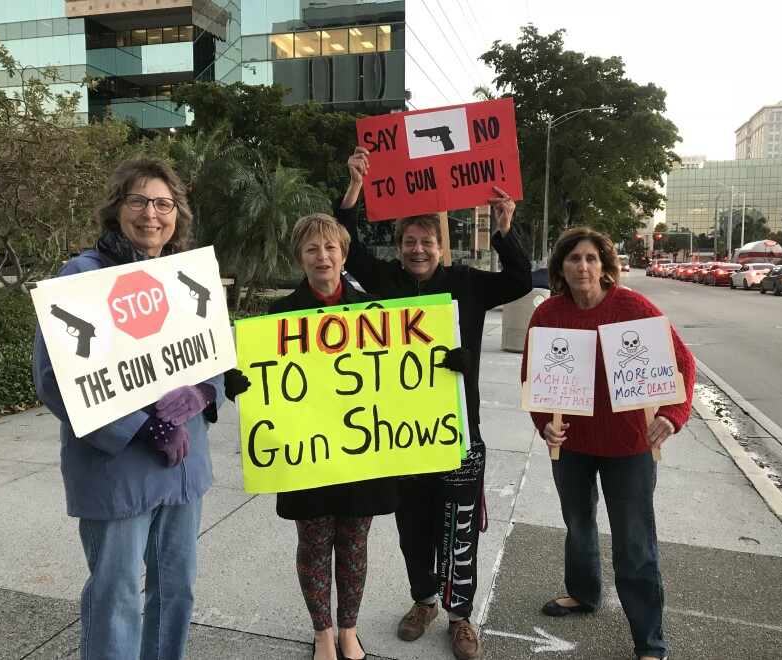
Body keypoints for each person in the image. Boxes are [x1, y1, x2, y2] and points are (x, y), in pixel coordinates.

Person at [333, 147, 532, 660]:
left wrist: (505, 228)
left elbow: (516, 281)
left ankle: (461, 616)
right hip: (402, 431)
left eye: (428, 242)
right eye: (410, 242)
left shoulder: (466, 283)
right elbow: (345, 248)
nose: (419, 249)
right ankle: (424, 600)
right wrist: (355, 187)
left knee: (459, 523)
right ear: (398, 248)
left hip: (460, 429)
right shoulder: (384, 282)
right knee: (413, 524)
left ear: (443, 248)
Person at [32, 157, 225, 660]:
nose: (151, 214)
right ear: (116, 209)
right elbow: (55, 381)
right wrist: (142, 428)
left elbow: (215, 353)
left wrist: (206, 392)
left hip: (184, 469)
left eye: (163, 203)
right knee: (117, 595)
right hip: (118, 467)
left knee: (176, 590)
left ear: (177, 214)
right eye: (137, 201)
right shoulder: (81, 276)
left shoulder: (185, 276)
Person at [224, 213, 398, 660]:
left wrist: (445, 363)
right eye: (312, 249)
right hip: (307, 454)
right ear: (299, 258)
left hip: (362, 452)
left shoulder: (374, 311)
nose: (323, 256)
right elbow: (266, 381)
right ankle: (322, 632)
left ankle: (348, 630)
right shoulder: (279, 314)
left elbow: (398, 380)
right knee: (315, 545)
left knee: (355, 547)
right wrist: (240, 381)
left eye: (331, 248)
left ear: (344, 254)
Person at [520, 226, 695, 660]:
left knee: (634, 543)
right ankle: (584, 593)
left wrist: (672, 417)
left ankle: (649, 641)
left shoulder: (633, 307)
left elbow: (682, 362)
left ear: (604, 265)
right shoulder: (549, 315)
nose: (582, 266)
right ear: (560, 267)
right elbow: (534, 377)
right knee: (579, 526)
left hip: (630, 446)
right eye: (574, 258)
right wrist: (544, 424)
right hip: (573, 443)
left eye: (591, 258)